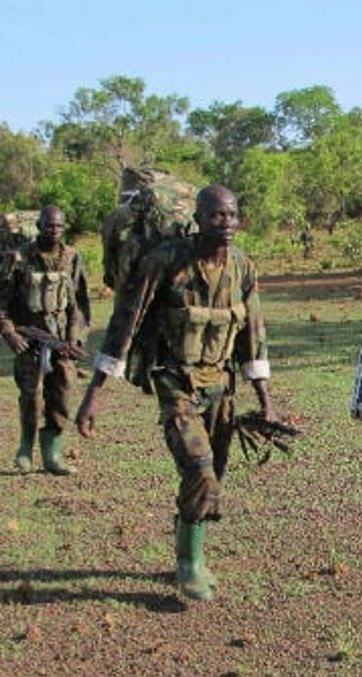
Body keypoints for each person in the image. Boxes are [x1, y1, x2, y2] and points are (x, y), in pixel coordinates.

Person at [75, 185, 277, 602]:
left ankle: (192, 553)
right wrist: (93, 395)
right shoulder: (165, 262)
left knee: (212, 477)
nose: (226, 224)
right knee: (199, 469)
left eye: (233, 216)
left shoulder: (243, 268)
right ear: (198, 219)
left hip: (220, 387)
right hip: (176, 382)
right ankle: (189, 567)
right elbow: (125, 325)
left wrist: (266, 400)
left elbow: (253, 336)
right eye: (217, 216)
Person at [0, 205, 92, 475]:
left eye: (58, 226)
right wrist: (8, 332)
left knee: (62, 394)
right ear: (39, 226)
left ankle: (52, 453)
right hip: (28, 336)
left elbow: (79, 303)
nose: (53, 231)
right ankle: (25, 448)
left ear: (64, 228)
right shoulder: (19, 258)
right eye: (48, 225)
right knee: (30, 395)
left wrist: (74, 338)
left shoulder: (72, 258)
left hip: (60, 340)